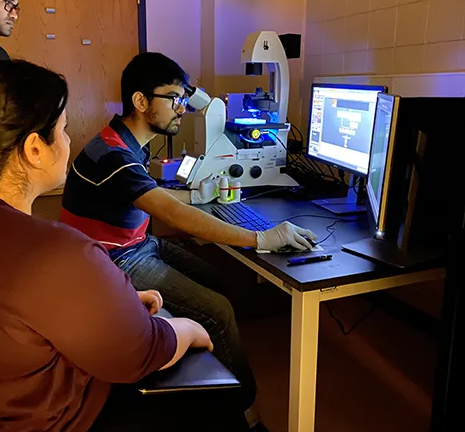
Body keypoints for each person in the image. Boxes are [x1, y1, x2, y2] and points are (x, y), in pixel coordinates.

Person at [0, 60, 249, 431]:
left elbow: (11, 312)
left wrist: (114, 305)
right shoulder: (54, 251)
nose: (69, 141)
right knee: (214, 371)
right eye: (64, 130)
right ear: (35, 149)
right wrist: (186, 329)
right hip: (35, 416)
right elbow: (137, 354)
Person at [61, 52, 317, 425]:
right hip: (115, 259)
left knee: (217, 281)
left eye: (184, 98)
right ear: (141, 101)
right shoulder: (115, 158)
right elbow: (176, 216)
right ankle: (246, 410)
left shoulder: (122, 140)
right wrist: (260, 238)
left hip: (135, 244)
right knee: (218, 310)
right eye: (174, 98)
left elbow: (154, 196)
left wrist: (199, 195)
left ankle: (205, 379)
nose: (182, 108)